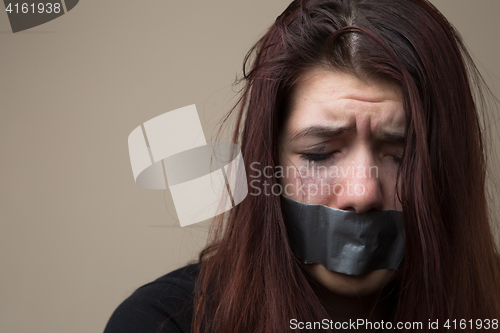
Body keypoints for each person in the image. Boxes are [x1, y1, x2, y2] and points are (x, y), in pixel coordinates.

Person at [104, 0, 500, 332]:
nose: (362, 194)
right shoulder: (160, 322)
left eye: (401, 155)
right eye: (319, 153)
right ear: (268, 163)